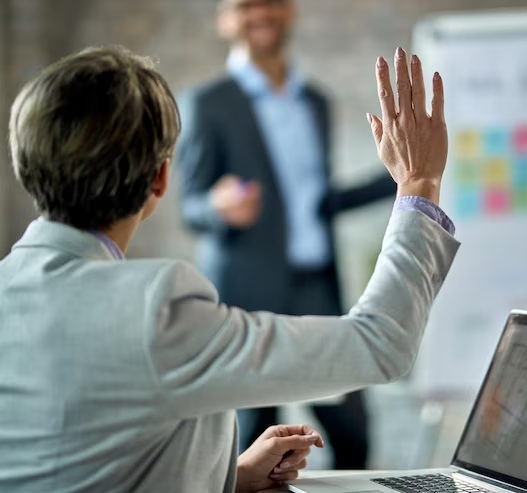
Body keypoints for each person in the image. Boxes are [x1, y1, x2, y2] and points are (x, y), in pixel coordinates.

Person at [0, 43, 456, 493]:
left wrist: (228, 476)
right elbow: (379, 345)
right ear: (160, 178)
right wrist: (420, 181)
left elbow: (78, 463)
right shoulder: (155, 310)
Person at [176, 0, 396, 467]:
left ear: (290, 12)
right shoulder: (208, 103)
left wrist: (399, 177)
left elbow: (317, 204)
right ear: (225, 18)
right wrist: (218, 207)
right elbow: (191, 206)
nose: (262, 13)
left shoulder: (314, 102)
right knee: (254, 440)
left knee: (353, 431)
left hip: (316, 287)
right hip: (246, 296)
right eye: (245, 5)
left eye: (272, 2)